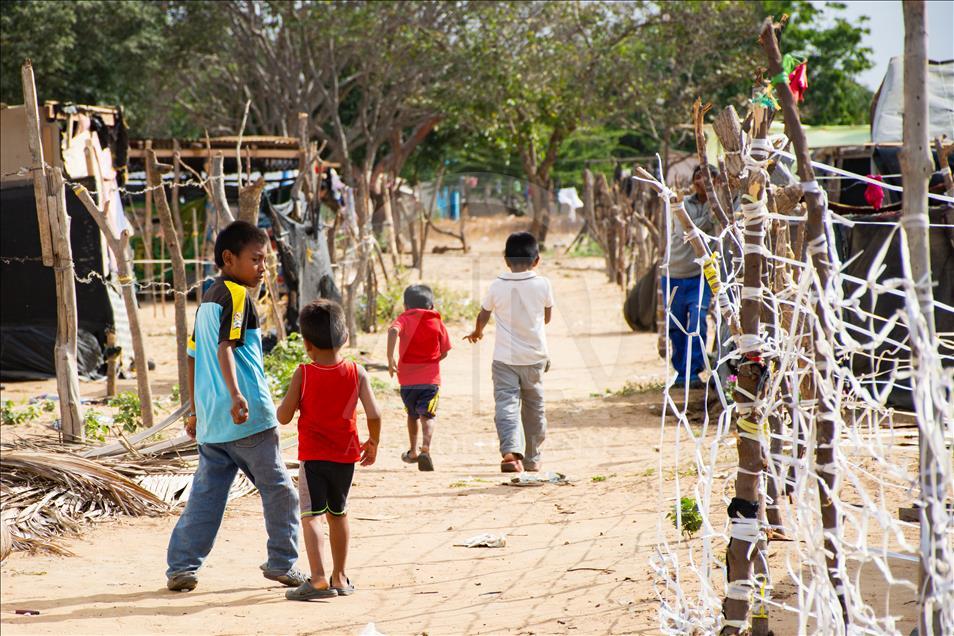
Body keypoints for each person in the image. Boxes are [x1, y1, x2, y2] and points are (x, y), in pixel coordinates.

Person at [166, 220, 305, 592]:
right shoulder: (237, 295)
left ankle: (181, 566)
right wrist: (237, 395)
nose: (263, 268)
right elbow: (225, 348)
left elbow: (193, 355)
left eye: (265, 260)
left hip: (213, 422)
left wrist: (196, 410)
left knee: (206, 497)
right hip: (247, 417)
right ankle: (283, 562)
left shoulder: (208, 299)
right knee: (280, 491)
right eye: (256, 259)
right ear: (229, 258)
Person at [276, 299, 381, 601]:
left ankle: (319, 579)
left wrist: (289, 403)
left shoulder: (303, 374)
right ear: (345, 337)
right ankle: (341, 577)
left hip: (313, 458)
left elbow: (284, 416)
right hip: (345, 458)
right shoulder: (357, 372)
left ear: (307, 344)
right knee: (339, 513)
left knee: (311, 516)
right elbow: (375, 414)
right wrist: (373, 442)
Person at [465, 232, 554, 473]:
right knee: (534, 408)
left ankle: (510, 453)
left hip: (504, 359)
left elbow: (483, 314)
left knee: (507, 404)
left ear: (506, 260)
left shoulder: (497, 285)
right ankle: (532, 458)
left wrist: (477, 332)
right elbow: (547, 317)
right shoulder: (543, 284)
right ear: (537, 260)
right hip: (535, 358)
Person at [663, 164, 720, 389]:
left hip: (700, 275)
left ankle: (694, 372)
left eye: (708, 177)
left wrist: (714, 211)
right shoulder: (682, 204)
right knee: (675, 325)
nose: (702, 181)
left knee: (698, 319)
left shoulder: (720, 206)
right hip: (675, 272)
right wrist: (709, 217)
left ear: (717, 182)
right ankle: (680, 372)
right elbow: (685, 231)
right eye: (698, 176)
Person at [387, 284, 451, 472]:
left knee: (412, 415)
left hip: (407, 381)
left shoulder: (404, 318)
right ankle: (426, 449)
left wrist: (390, 359)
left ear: (406, 305)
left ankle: (413, 451)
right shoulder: (436, 321)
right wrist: (431, 362)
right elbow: (445, 351)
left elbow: (393, 331)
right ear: (431, 305)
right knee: (428, 415)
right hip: (430, 381)